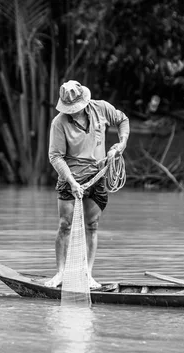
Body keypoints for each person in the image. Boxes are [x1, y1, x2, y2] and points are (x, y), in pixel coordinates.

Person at [45, 80, 130, 289]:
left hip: (97, 176)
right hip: (70, 178)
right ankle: (61, 274)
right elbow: (55, 156)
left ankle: (87, 274)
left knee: (92, 226)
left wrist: (120, 145)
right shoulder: (59, 122)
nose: (73, 112)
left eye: (76, 108)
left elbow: (123, 120)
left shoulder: (101, 108)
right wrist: (72, 182)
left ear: (84, 101)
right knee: (64, 225)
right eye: (69, 110)